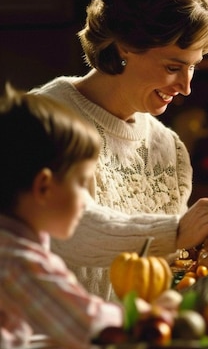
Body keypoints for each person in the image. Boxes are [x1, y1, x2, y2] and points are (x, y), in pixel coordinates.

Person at [31, 0, 208, 300]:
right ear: (125, 46)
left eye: (193, 67)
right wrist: (178, 230)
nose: (186, 86)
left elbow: (170, 266)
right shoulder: (43, 118)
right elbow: (73, 230)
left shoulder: (169, 147)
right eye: (172, 66)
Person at [0, 83, 122, 349]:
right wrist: (146, 315)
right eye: (81, 182)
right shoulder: (16, 260)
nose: (86, 200)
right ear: (44, 187)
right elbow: (87, 326)